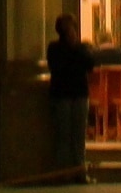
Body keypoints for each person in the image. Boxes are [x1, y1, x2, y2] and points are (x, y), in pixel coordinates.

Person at [43, 12, 116, 176]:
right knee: (63, 135)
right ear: (62, 31)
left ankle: (79, 171)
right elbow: (57, 67)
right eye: (69, 29)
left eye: (73, 28)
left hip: (79, 94)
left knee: (78, 136)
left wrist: (76, 47)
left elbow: (90, 65)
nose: (72, 32)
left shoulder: (81, 47)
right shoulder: (54, 48)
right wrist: (75, 50)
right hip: (62, 95)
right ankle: (63, 172)